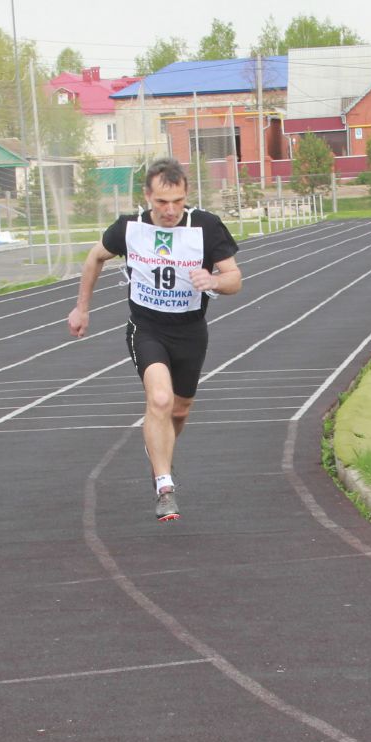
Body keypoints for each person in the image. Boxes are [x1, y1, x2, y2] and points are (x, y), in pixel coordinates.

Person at [68, 157, 241, 521]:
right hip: (147, 329)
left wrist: (214, 281)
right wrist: (82, 308)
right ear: (147, 196)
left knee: (179, 410)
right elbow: (94, 257)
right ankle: (164, 485)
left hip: (191, 332)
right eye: (162, 202)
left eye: (177, 201)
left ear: (186, 195)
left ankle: (159, 450)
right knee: (159, 399)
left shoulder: (206, 227)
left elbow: (235, 279)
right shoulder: (130, 228)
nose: (170, 210)